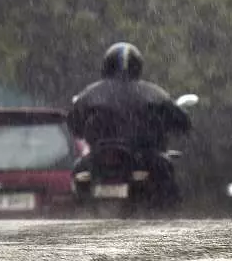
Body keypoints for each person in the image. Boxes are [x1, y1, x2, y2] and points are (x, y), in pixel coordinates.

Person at [67, 42, 192, 204]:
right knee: (167, 171)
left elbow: (74, 124)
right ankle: (166, 214)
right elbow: (181, 121)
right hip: (143, 155)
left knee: (79, 171)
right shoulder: (153, 93)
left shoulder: (90, 94)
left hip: (100, 157)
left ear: (107, 66)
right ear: (138, 66)